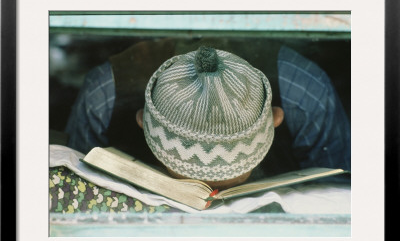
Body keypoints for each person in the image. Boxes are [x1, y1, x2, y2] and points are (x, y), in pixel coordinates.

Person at [65, 38, 350, 189]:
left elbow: (338, 190)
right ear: (275, 119)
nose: (210, 196)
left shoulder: (305, 90)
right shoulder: (103, 93)